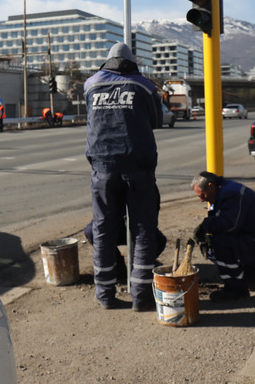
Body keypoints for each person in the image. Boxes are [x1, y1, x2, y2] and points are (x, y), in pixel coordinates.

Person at [84, 42, 163, 311]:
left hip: (103, 168)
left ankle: (105, 295)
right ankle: (141, 297)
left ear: (107, 60)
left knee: (103, 230)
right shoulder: (144, 85)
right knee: (143, 230)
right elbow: (155, 120)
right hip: (138, 168)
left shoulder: (91, 84)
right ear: (132, 61)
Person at [191, 171, 255, 302]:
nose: (201, 200)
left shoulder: (231, 194)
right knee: (215, 238)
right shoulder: (223, 191)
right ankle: (251, 274)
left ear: (211, 186)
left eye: (202, 195)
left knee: (217, 242)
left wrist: (205, 226)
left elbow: (230, 225)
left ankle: (236, 289)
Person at [83, 219, 167, 284]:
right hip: (113, 223)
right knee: (92, 231)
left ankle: (142, 264)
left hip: (138, 223)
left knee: (159, 240)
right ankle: (118, 265)